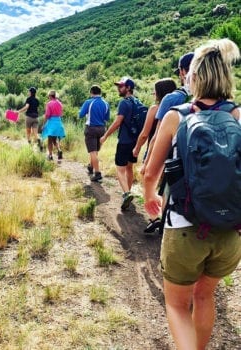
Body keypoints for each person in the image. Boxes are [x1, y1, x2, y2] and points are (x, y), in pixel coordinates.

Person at [143, 38, 241, 350]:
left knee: (175, 305)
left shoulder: (176, 115)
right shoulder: (239, 116)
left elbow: (150, 171)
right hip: (231, 231)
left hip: (184, 228)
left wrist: (149, 195)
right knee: (205, 294)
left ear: (193, 77)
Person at [132, 78, 177, 233]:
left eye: (154, 91)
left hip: (156, 150)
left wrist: (138, 149)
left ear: (159, 93)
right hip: (174, 153)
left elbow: (146, 134)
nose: (153, 93)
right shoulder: (181, 108)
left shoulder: (155, 109)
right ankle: (166, 219)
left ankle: (154, 218)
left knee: (149, 182)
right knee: (167, 187)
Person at [100, 77, 141, 211]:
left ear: (128, 88)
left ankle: (126, 193)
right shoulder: (137, 102)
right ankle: (128, 192)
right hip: (135, 141)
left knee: (120, 168)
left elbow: (118, 122)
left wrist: (105, 136)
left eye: (121, 86)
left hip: (124, 141)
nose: (119, 88)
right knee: (129, 167)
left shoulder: (124, 103)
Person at [79, 85, 110, 182]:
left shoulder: (88, 102)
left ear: (91, 92)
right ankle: (91, 166)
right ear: (100, 92)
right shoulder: (106, 103)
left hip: (91, 128)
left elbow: (80, 115)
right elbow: (107, 118)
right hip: (102, 129)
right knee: (96, 150)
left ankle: (97, 173)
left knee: (92, 151)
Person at [41, 90, 65, 160]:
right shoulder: (60, 103)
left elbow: (47, 115)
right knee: (55, 140)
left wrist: (43, 125)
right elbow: (61, 114)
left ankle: (50, 155)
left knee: (50, 140)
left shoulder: (49, 104)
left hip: (51, 123)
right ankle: (59, 150)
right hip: (58, 122)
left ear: (50, 96)